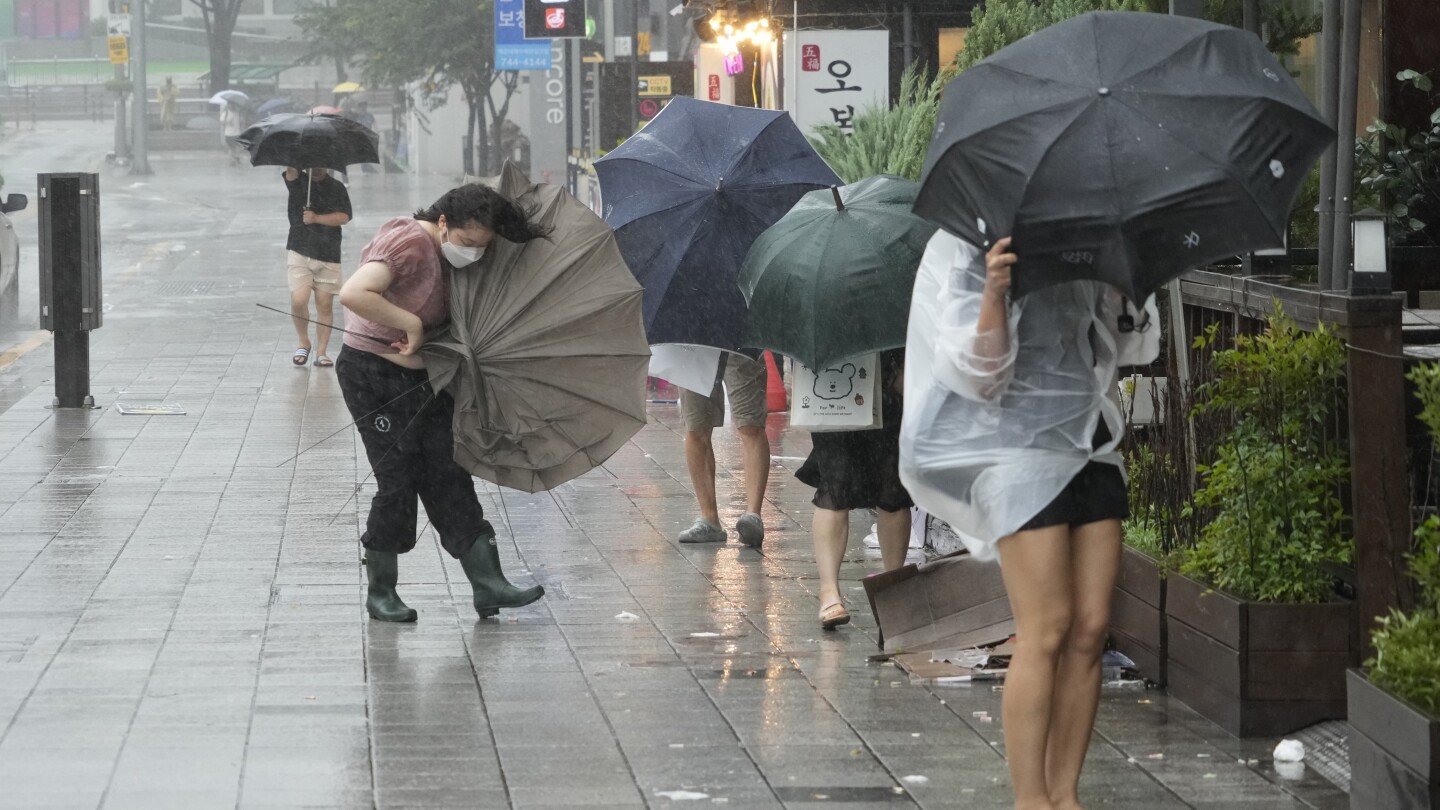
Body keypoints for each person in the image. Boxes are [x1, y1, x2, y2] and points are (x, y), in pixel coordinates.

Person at [899, 231, 1159, 810]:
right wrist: (995, 290)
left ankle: (1065, 795)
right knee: (1047, 626)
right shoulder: (972, 243)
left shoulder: (1096, 230)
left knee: (1091, 628)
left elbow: (1133, 345)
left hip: (1091, 440)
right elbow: (976, 376)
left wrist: (1124, 287)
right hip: (1015, 449)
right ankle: (1031, 800)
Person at [336, 184, 551, 623]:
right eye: (468, 243)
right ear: (443, 223)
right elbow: (354, 294)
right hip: (371, 376)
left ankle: (488, 584)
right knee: (397, 480)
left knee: (447, 470)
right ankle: (381, 592)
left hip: (421, 377)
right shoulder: (409, 242)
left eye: (482, 246)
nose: (473, 253)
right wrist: (410, 323)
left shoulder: (455, 249)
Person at [796, 349, 911, 629]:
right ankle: (829, 592)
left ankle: (892, 589)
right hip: (830, 375)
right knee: (835, 485)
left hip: (889, 379)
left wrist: (907, 366)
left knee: (892, 489)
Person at [676, 352, 770, 547]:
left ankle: (753, 515)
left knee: (750, 424)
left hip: (741, 336)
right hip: (692, 342)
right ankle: (708, 518)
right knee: (696, 427)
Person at [283, 167, 352, 367]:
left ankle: (321, 351)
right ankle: (304, 341)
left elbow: (345, 217)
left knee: (324, 305)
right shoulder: (298, 182)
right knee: (299, 299)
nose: (317, 167)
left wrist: (316, 219)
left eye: (321, 163)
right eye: (312, 163)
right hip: (299, 249)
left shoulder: (337, 187)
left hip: (328, 253)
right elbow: (290, 172)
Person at [219, 101, 245, 165]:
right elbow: (221, 122)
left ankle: (236, 157)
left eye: (233, 105)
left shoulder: (238, 113)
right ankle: (232, 160)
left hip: (237, 133)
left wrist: (242, 121)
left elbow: (241, 122)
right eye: (230, 105)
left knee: (239, 147)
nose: (232, 106)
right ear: (228, 105)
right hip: (229, 134)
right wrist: (228, 122)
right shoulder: (225, 113)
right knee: (231, 148)